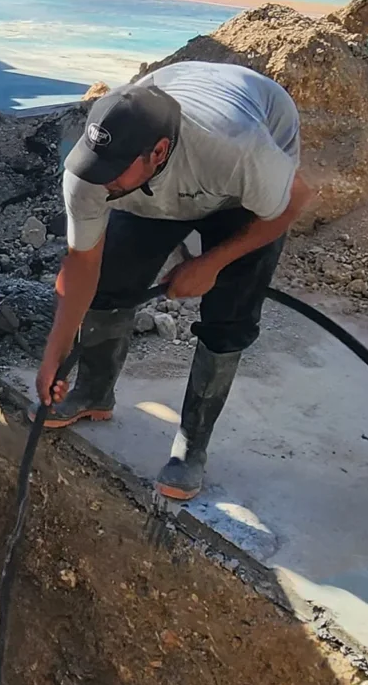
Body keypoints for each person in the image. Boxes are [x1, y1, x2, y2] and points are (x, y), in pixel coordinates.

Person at [32, 62, 315, 500]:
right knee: (112, 277)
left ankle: (192, 447)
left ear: (158, 151)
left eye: (114, 171)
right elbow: (81, 264)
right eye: (96, 167)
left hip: (240, 184)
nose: (101, 182)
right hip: (164, 182)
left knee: (230, 312)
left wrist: (212, 262)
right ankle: (94, 392)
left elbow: (292, 202)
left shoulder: (238, 150)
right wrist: (55, 351)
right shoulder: (95, 172)